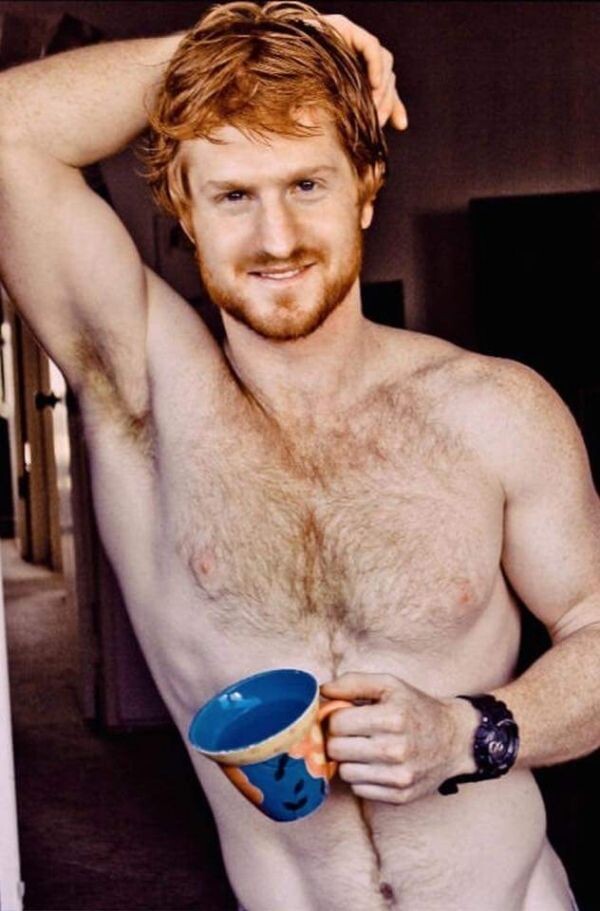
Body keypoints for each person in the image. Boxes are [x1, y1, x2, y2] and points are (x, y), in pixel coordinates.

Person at [0, 2, 598, 909]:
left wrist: (468, 730)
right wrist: (228, 48)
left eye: (307, 185)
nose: (276, 239)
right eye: (234, 196)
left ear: (365, 188)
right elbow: (9, 133)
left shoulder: (496, 410)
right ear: (185, 212)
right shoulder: (143, 403)